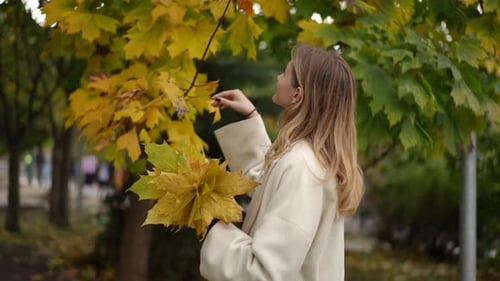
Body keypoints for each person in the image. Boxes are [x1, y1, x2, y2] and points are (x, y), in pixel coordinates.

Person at [199, 43, 364, 281]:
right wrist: (251, 116)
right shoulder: (312, 161)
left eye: (285, 73)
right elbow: (270, 184)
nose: (279, 77)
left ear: (297, 94)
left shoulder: (303, 169)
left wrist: (214, 224)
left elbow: (265, 272)